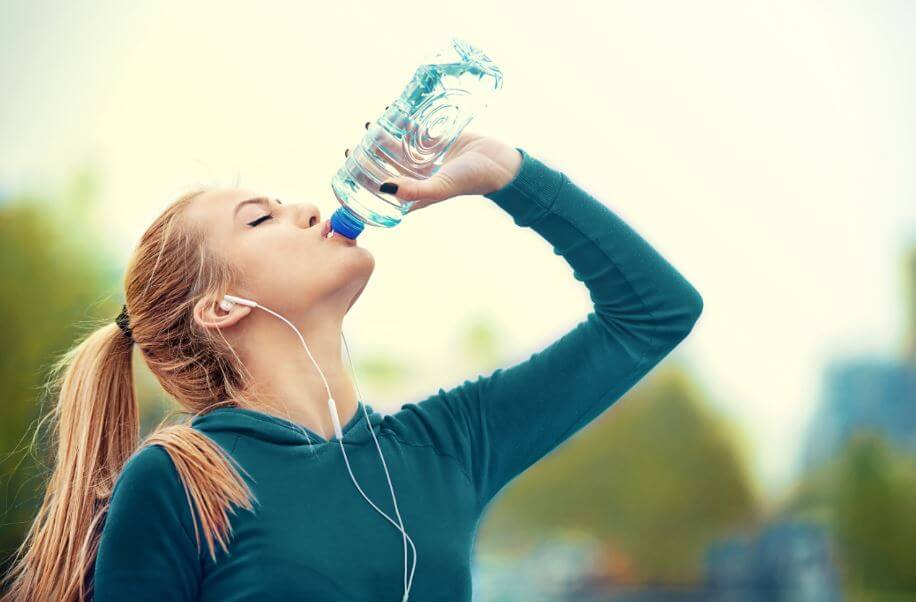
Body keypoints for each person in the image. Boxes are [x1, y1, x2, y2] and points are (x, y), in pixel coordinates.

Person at [0, 130, 703, 602]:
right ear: (220, 307)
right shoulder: (182, 480)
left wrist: (505, 174)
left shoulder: (445, 446)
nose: (308, 209)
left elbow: (654, 312)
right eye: (261, 218)